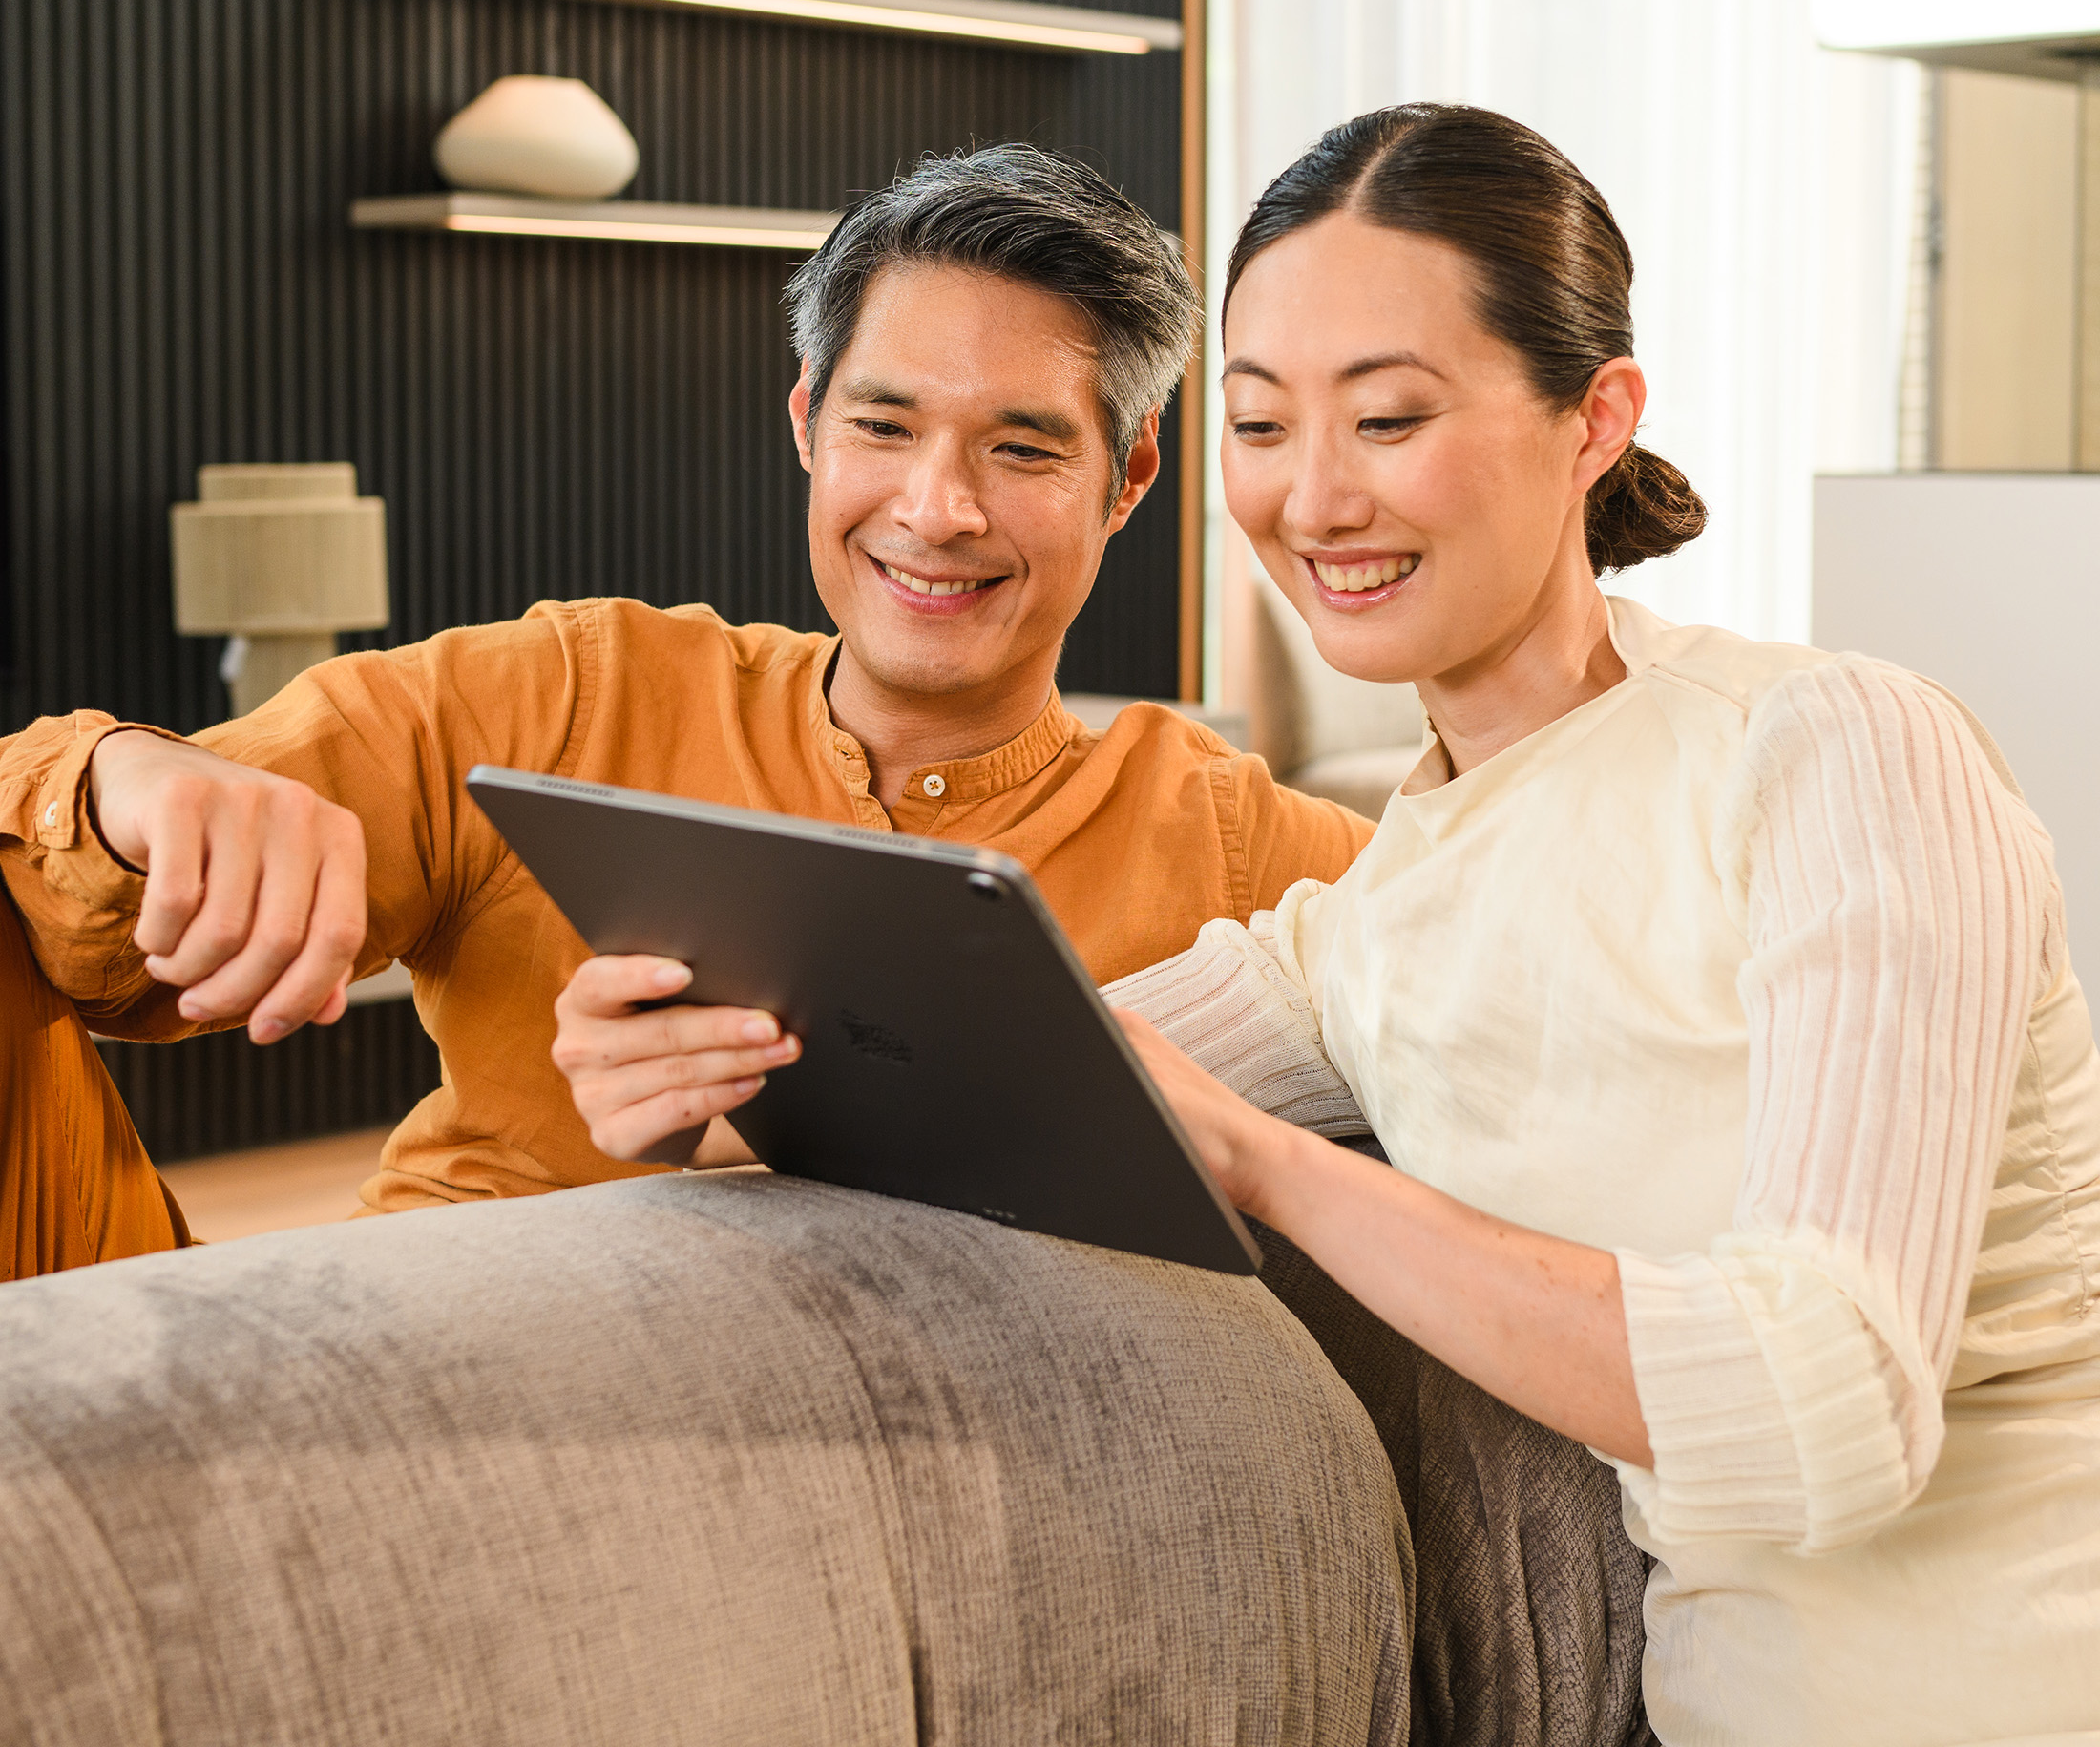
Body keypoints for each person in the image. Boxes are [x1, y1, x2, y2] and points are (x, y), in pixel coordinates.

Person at [1087, 104, 2098, 1744]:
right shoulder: (1366, 927)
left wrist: (1274, 1166)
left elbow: (1826, 1406)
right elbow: (987, 1066)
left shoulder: (1834, 749)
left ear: (1595, 421)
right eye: (1261, 423)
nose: (1314, 496)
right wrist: (696, 1078)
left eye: (1389, 417)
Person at [0, 144, 1369, 1241]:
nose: (935, 510)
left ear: (1127, 480)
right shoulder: (572, 692)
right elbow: (71, 905)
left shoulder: (1232, 846)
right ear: (808, 425)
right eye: (883, 426)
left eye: (1022, 450)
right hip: (391, 1349)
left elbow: (1477, 953)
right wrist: (128, 773)